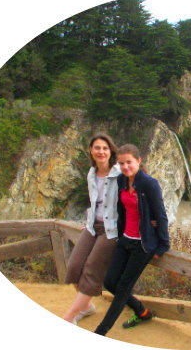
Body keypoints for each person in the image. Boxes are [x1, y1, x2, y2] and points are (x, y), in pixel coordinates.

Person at [94, 144, 170, 336]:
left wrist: (163, 245)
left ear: (138, 161)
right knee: (110, 282)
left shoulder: (149, 183)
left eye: (129, 162)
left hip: (142, 245)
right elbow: (121, 209)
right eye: (121, 163)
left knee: (122, 289)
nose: (125, 167)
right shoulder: (121, 180)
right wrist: (118, 234)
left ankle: (101, 331)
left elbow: (160, 215)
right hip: (125, 239)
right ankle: (142, 311)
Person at [62, 133, 121, 324]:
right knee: (73, 266)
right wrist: (87, 222)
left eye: (105, 148)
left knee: (91, 269)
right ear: (91, 150)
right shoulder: (91, 173)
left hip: (111, 230)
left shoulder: (119, 173)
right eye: (97, 148)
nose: (101, 152)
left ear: (110, 150)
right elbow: (94, 201)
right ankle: (86, 307)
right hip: (92, 226)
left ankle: (69, 317)